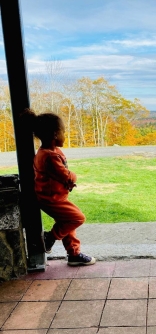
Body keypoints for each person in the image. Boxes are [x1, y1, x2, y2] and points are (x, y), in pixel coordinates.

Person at [21, 109, 96, 266]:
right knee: (77, 218)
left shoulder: (50, 152)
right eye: (63, 132)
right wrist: (72, 178)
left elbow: (59, 176)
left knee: (66, 223)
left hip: (55, 195)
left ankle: (74, 254)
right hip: (51, 199)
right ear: (55, 134)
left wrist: (67, 181)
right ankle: (50, 238)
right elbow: (66, 175)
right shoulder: (50, 156)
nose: (65, 135)